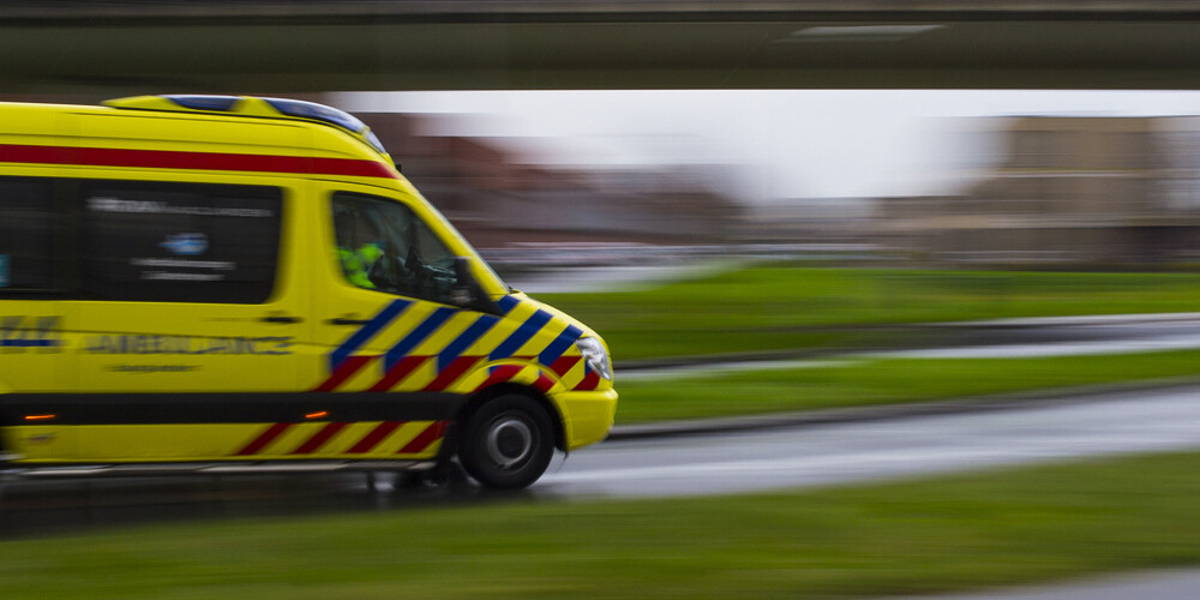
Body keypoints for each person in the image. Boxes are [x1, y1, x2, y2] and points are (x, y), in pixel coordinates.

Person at [335, 208, 385, 290]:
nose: (356, 233)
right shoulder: (334, 252)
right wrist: (374, 252)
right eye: (345, 229)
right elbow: (352, 262)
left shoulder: (350, 250)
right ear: (338, 230)